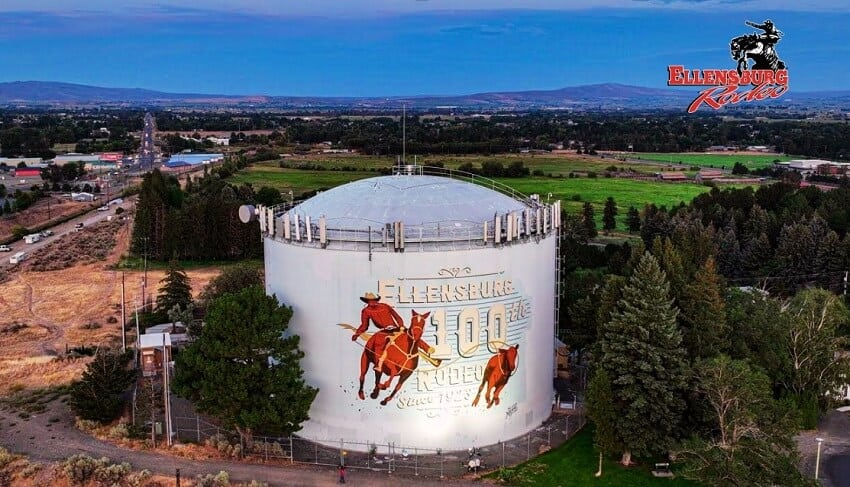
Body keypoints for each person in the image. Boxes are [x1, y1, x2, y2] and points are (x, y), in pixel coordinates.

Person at [352, 292, 434, 371]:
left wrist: (401, 325)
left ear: (377, 300)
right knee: (380, 344)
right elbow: (364, 325)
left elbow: (396, 316)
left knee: (411, 334)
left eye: (374, 300)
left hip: (396, 328)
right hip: (384, 331)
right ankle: (380, 364)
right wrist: (357, 334)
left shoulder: (385, 306)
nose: (372, 303)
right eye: (370, 301)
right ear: (367, 302)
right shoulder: (366, 311)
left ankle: (427, 349)